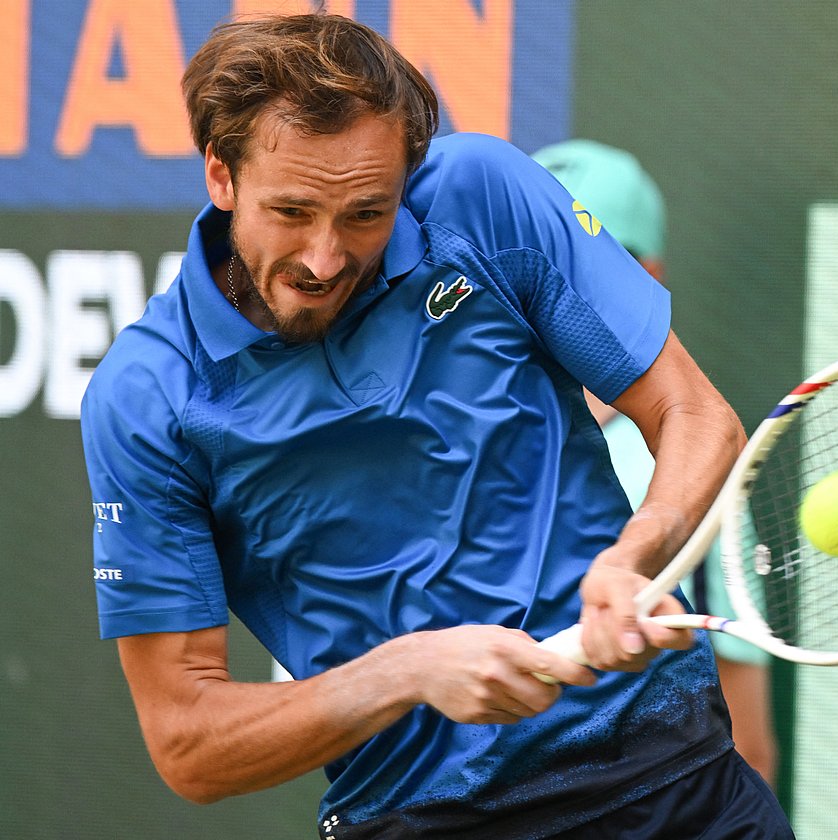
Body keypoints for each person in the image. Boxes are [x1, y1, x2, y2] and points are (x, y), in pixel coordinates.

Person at [79, 13, 794, 840]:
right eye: (293, 211)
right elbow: (187, 745)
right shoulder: (149, 399)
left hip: (673, 785)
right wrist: (403, 674)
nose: (323, 257)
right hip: (421, 819)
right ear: (220, 174)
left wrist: (636, 558)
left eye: (365, 214)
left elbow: (694, 412)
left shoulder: (481, 199)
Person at [531, 139, 779, 787]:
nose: (563, 284)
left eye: (597, 260)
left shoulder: (697, 468)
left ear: (650, 275)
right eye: (544, 260)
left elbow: (747, 747)